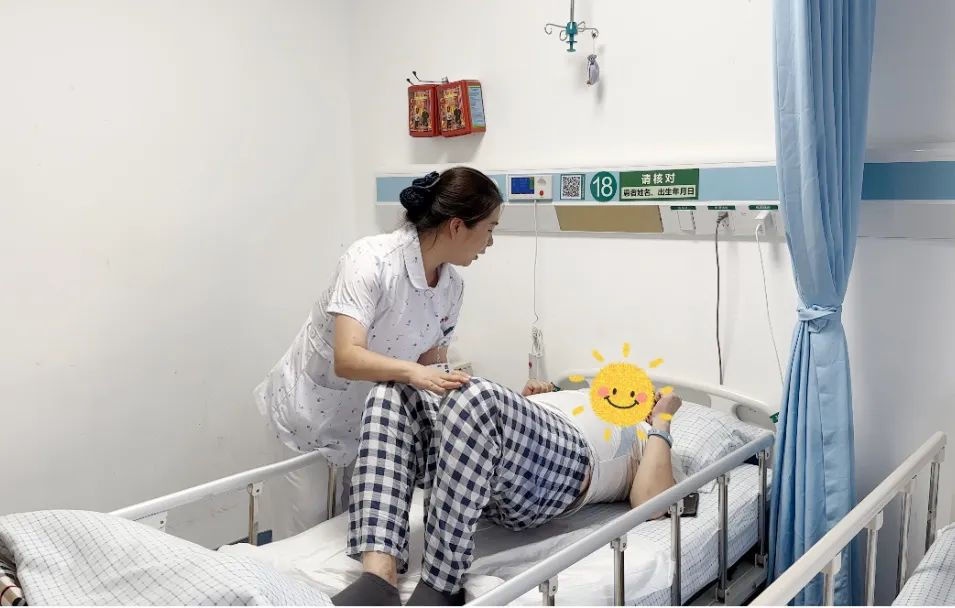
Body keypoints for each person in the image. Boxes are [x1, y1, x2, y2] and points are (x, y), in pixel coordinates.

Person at [331, 377, 685, 606]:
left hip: (568, 465)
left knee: (476, 397)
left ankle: (442, 585)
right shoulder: (576, 399)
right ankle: (379, 576)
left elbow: (650, 501)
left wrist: (663, 419)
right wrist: (531, 401)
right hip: (491, 466)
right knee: (391, 393)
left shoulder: (648, 435)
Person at [254, 167, 503, 468]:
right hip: (305, 421)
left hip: (367, 431)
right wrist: (413, 372)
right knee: (310, 499)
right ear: (457, 226)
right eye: (490, 229)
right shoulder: (370, 261)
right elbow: (347, 358)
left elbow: (433, 369)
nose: (490, 243)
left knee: (358, 501)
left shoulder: (451, 288)